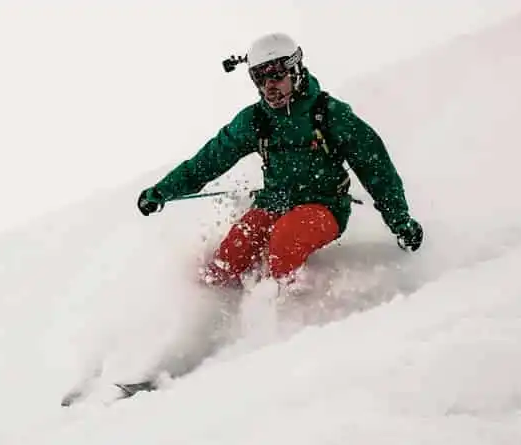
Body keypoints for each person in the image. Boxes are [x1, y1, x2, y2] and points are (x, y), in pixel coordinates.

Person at [136, 32, 423, 291]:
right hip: (274, 201)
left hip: (324, 205)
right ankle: (214, 320)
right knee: (232, 253)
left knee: (285, 240)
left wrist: (400, 222)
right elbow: (208, 161)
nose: (268, 86)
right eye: (259, 78)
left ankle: (286, 319)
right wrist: (163, 190)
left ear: (295, 70)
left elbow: (376, 168)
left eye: (275, 75)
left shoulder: (330, 114)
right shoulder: (256, 120)